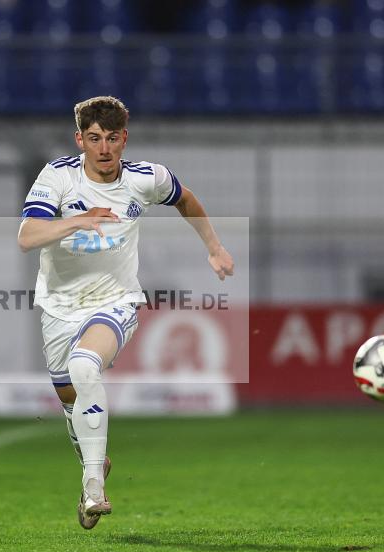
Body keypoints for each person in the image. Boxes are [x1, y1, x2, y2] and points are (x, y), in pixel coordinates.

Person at [17, 96, 234, 529]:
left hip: (116, 301)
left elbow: (185, 198)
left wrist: (214, 245)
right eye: (94, 138)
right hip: (59, 307)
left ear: (124, 139)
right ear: (79, 139)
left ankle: (93, 486)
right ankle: (93, 459)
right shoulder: (57, 177)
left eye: (112, 138)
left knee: (85, 366)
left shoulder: (145, 179)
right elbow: (28, 236)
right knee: (69, 397)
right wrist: (75, 222)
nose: (103, 148)